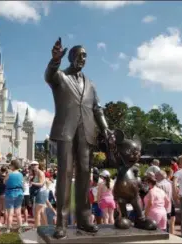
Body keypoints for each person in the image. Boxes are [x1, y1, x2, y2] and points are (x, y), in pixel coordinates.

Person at [44, 37, 112, 239]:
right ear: (71, 57)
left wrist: (106, 129)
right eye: (80, 55)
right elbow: (48, 75)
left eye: (85, 56)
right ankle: (62, 223)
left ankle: (84, 219)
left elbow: (97, 108)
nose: (83, 59)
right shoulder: (60, 77)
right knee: (64, 174)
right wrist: (55, 60)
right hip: (65, 131)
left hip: (87, 132)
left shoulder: (90, 83)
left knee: (85, 173)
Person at [4, 160, 24, 231]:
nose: (10, 166)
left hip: (10, 193)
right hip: (20, 193)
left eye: (10, 165)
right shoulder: (21, 174)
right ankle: (20, 228)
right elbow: (22, 184)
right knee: (18, 212)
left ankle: (8, 229)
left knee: (10, 213)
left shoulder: (9, 174)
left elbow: (4, 182)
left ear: (13, 166)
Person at [30, 161, 48, 227]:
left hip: (41, 193)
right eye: (32, 165)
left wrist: (32, 183)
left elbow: (41, 184)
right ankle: (45, 227)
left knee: (37, 212)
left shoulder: (40, 173)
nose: (33, 166)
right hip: (39, 193)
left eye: (35, 165)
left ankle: (36, 228)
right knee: (42, 212)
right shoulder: (35, 173)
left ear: (38, 165)